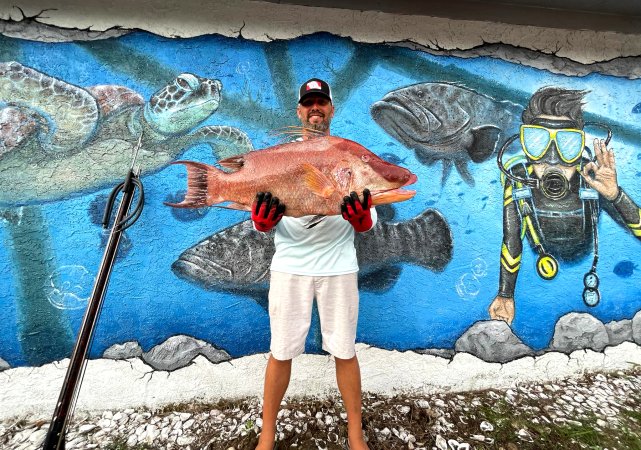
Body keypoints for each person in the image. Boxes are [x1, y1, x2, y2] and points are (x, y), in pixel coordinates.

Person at [252, 78, 374, 450]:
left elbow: (369, 220)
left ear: (331, 110)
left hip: (339, 265)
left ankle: (355, 432)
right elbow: (259, 217)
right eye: (309, 103)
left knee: (345, 350)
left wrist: (360, 218)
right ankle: (268, 433)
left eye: (321, 102)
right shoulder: (280, 156)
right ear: (299, 111)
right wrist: (262, 221)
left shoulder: (348, 156)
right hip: (290, 266)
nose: (315, 108)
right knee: (282, 350)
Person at [489, 87, 641, 325]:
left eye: (567, 144)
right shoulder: (518, 180)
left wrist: (614, 194)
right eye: (537, 141)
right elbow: (512, 240)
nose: (553, 158)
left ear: (580, 146)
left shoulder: (590, 178)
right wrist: (505, 295)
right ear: (525, 145)